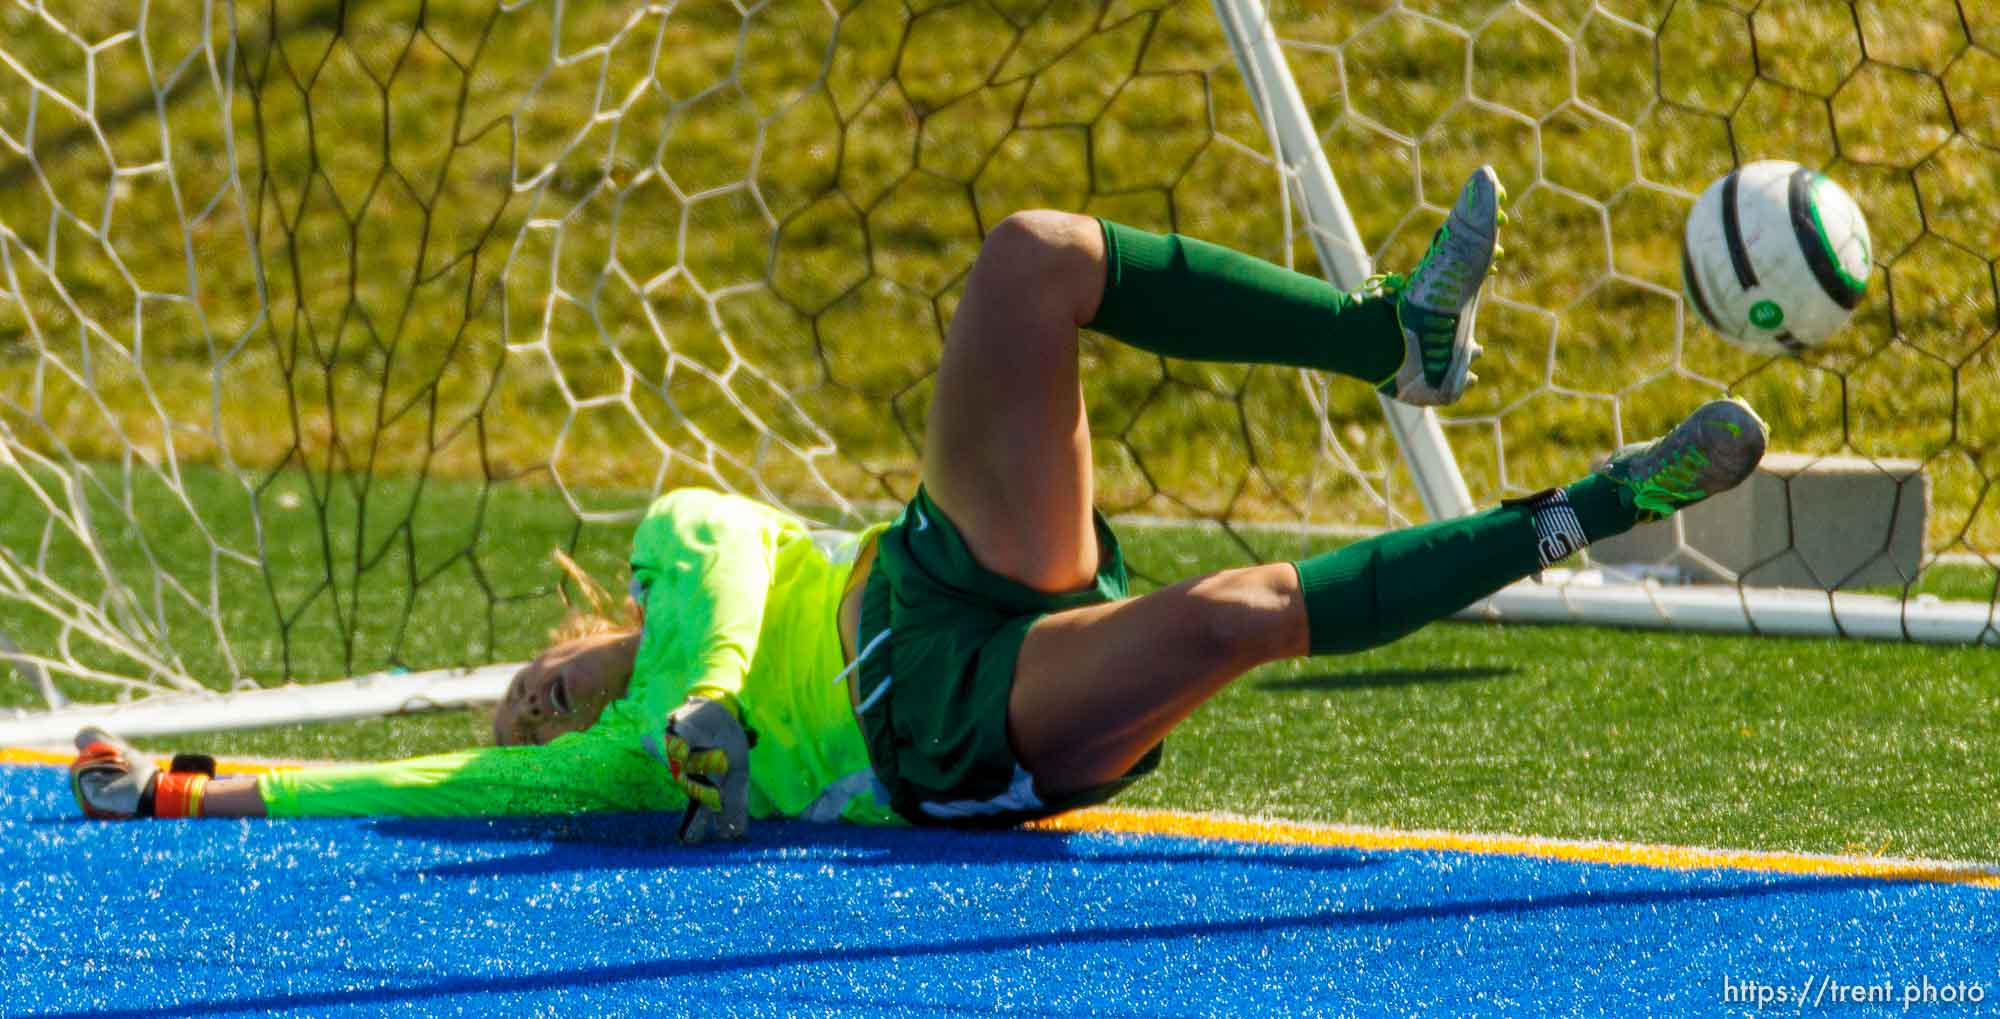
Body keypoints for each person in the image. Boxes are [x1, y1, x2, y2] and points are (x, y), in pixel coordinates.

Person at [69, 168, 1768, 841]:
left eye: (526, 685)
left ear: (578, 627)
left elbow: (723, 566)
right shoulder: (621, 764)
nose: (519, 710)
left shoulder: (679, 548)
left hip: (939, 568)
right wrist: (185, 792)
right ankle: (1588, 508)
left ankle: (1390, 336)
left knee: (1034, 261)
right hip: (935, 721)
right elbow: (412, 787)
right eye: (522, 725)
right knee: (1243, 612)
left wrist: (719, 689)